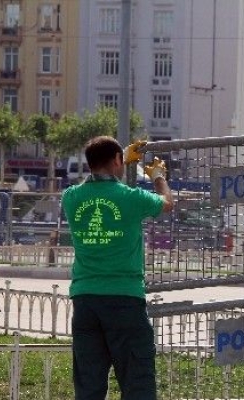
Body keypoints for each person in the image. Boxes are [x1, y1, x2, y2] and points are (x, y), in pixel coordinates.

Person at [62, 136, 173, 400]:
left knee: (88, 385)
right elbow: (167, 203)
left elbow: (99, 177)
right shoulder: (130, 198)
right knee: (137, 383)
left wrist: (119, 155)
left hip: (85, 301)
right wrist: (158, 176)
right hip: (124, 299)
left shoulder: (71, 198)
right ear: (116, 161)